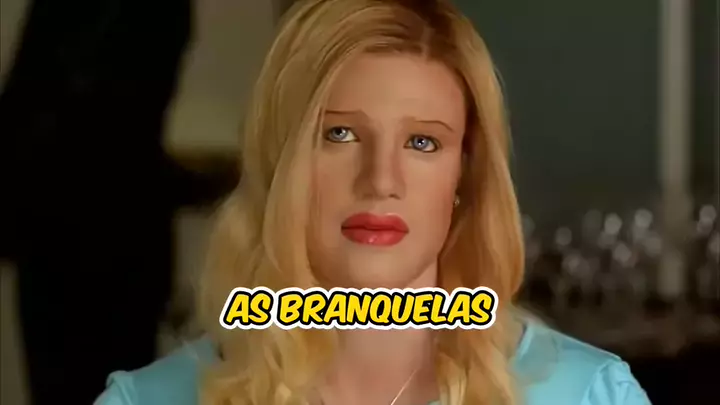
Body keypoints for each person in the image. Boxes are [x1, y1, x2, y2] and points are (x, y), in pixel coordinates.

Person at [94, 0, 652, 404]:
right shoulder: (146, 401)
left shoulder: (590, 396)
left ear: (465, 174)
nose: (381, 180)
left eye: (422, 142)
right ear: (279, 160)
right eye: (339, 134)